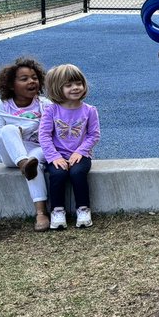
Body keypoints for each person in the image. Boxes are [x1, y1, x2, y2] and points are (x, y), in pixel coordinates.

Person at [0, 56, 51, 231]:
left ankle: (41, 213)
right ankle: (24, 163)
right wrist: (22, 128)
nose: (31, 81)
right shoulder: (1, 106)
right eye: (24, 79)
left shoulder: (45, 104)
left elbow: (52, 133)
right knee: (8, 130)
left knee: (35, 160)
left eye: (34, 78)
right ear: (10, 85)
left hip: (38, 150)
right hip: (12, 155)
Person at [40, 64, 100, 230]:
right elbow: (44, 135)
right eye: (69, 85)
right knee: (58, 174)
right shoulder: (51, 110)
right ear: (58, 88)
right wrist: (54, 157)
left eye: (78, 83)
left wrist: (80, 151)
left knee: (77, 172)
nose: (75, 88)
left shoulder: (90, 110)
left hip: (81, 155)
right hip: (57, 155)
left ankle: (83, 209)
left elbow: (94, 135)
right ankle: (57, 211)